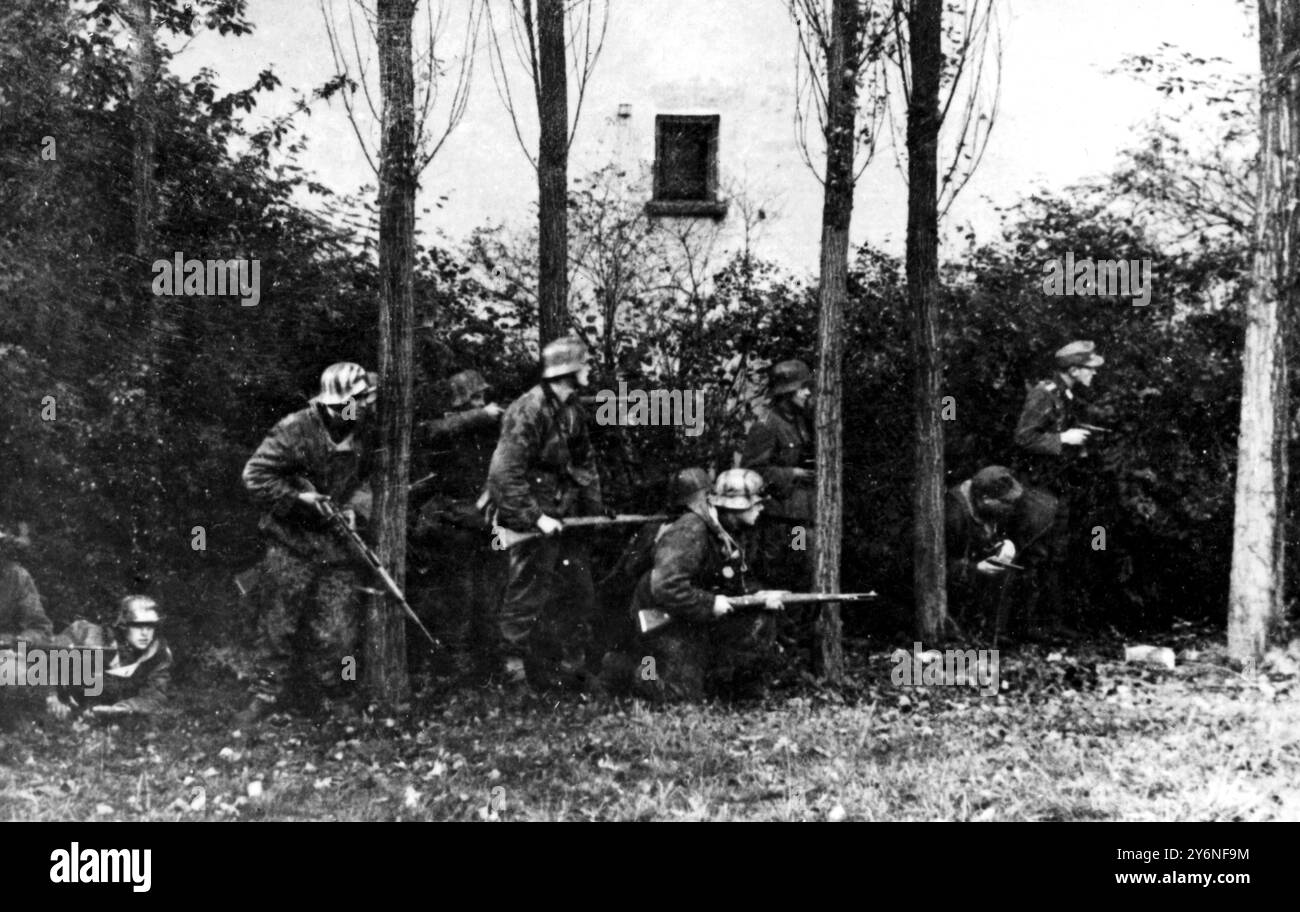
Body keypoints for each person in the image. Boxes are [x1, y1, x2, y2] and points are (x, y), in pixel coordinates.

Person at [235, 362, 377, 726]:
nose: (359, 409)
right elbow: (254, 475)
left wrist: (355, 509)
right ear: (331, 405)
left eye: (362, 401)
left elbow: (374, 478)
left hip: (338, 544)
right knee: (277, 624)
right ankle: (265, 695)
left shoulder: (367, 430)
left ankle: (336, 694)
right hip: (291, 541)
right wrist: (299, 500)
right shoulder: (294, 429)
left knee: (339, 627)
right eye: (352, 402)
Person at [486, 337, 604, 691]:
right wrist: (536, 518)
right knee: (526, 595)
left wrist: (594, 513)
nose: (589, 370)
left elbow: (585, 464)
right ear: (569, 369)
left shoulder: (571, 409)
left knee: (578, 592)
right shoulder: (529, 409)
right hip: (532, 518)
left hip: (565, 517)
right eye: (584, 364)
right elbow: (504, 473)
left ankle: (571, 670)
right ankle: (513, 676)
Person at [626, 468, 784, 702]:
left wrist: (756, 596)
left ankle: (736, 690)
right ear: (734, 506)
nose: (761, 508)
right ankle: (626, 670)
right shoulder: (691, 530)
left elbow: (732, 579)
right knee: (682, 697)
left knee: (761, 618)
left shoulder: (730, 530)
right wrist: (710, 603)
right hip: (663, 620)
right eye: (755, 503)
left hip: (694, 616)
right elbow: (665, 587)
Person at [409, 369, 506, 681]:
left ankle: (489, 665)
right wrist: (478, 416)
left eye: (482, 397)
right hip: (456, 523)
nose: (482, 402)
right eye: (475, 397)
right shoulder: (450, 428)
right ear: (463, 400)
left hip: (489, 524)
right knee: (458, 599)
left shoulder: (490, 430)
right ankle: (456, 668)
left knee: (492, 596)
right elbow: (426, 433)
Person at [1013, 340, 1104, 630]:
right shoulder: (1044, 394)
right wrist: (1063, 439)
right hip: (1036, 489)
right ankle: (1025, 627)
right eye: (1090, 369)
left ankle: (1049, 625)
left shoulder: (1064, 394)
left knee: (1055, 555)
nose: (1094, 374)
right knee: (1036, 555)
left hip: (1055, 487)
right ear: (1074, 369)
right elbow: (1023, 438)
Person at [595, 467, 712, 674]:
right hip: (646, 603)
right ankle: (618, 666)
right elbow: (630, 571)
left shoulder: (678, 524)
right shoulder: (667, 527)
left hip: (668, 600)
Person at [945, 466, 1058, 640]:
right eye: (1006, 502)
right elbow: (934, 568)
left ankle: (1001, 633)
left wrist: (1005, 542)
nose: (1012, 508)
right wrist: (975, 568)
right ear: (986, 499)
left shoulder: (988, 506)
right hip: (957, 587)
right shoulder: (953, 516)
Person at [740, 359, 816, 593]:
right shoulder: (767, 425)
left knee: (800, 567)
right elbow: (753, 472)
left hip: (797, 521)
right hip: (776, 523)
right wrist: (792, 473)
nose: (806, 393)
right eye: (801, 388)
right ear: (786, 391)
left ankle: (795, 626)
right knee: (776, 573)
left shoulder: (800, 421)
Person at [45, 596, 173, 720]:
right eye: (137, 626)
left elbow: (156, 697)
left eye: (150, 626)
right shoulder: (87, 634)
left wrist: (122, 709)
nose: (145, 633)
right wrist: (52, 696)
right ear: (123, 626)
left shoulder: (157, 654)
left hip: (107, 715)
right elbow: (46, 659)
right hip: (67, 705)